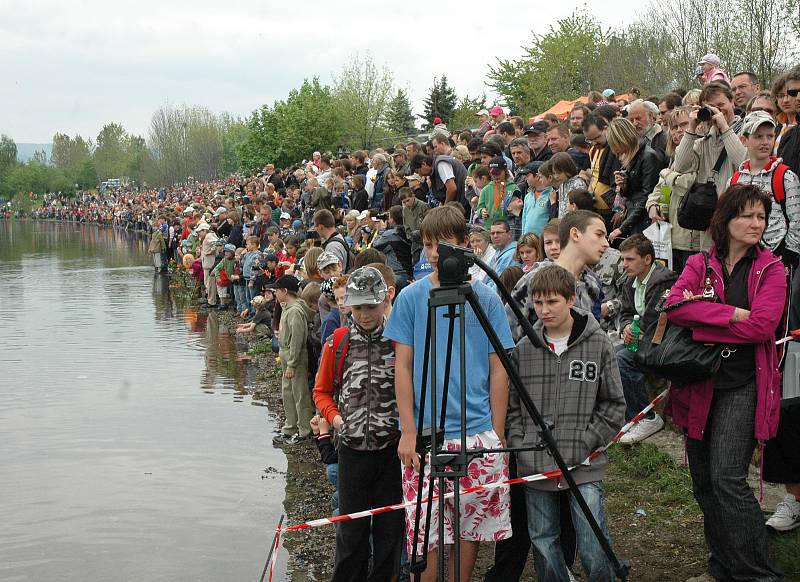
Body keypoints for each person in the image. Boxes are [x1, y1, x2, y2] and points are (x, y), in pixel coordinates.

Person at [384, 206, 513, 582]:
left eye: (442, 244)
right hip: (426, 433)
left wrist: (497, 433)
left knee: (468, 530)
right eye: (427, 245)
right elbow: (403, 367)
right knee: (426, 533)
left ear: (463, 244)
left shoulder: (485, 298)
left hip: (475, 429)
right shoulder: (410, 298)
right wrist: (408, 429)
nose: (434, 252)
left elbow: (498, 368)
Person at [664, 184, 785, 581]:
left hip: (744, 382)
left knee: (728, 479)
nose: (756, 223)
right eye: (747, 215)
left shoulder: (772, 269)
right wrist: (732, 313)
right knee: (703, 481)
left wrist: (704, 324)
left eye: (761, 217)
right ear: (726, 220)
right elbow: (674, 306)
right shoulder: (701, 262)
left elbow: (762, 326)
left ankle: (758, 574)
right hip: (701, 382)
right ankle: (723, 567)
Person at [507, 265, 624, 582]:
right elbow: (513, 409)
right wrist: (522, 447)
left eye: (552, 302)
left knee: (592, 539)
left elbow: (614, 404)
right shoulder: (523, 351)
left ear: (571, 299)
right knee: (543, 540)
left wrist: (586, 442)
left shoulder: (598, 344)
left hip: (584, 463)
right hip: (535, 464)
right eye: (538, 303)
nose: (544, 311)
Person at [313, 267, 403, 582]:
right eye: (358, 307)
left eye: (371, 306)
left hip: (392, 452)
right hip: (351, 451)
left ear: (384, 302)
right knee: (351, 534)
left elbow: (415, 392)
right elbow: (321, 391)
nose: (365, 314)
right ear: (349, 305)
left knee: (389, 532)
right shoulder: (338, 342)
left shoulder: (399, 341)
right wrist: (337, 421)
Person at [507, 210, 608, 342]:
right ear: (575, 234)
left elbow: (595, 336)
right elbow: (508, 336)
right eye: (599, 235)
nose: (606, 243)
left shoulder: (593, 283)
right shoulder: (535, 279)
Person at [613, 235, 677, 444]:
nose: (625, 265)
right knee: (611, 354)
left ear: (647, 259)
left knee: (622, 359)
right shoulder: (630, 281)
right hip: (642, 339)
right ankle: (627, 415)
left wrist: (634, 334)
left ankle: (646, 417)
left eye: (630, 259)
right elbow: (625, 313)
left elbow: (657, 322)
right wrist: (625, 329)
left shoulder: (663, 281)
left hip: (664, 343)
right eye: (624, 259)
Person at [729, 111, 800, 271]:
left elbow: (797, 222)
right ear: (744, 140)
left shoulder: (785, 177)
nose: (765, 142)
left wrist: (788, 257)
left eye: (769, 136)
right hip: (742, 259)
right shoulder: (735, 180)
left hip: (777, 258)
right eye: (758, 136)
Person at [646, 106, 713, 273]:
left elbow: (694, 185)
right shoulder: (675, 156)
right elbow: (659, 187)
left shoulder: (704, 150)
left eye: (684, 124)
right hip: (671, 237)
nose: (678, 130)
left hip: (693, 239)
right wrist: (652, 205)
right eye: (674, 127)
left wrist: (669, 176)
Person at [672, 82, 747, 197]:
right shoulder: (704, 141)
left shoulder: (747, 131)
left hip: (737, 207)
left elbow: (744, 164)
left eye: (721, 105)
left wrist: (725, 129)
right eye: (711, 108)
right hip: (709, 210)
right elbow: (681, 166)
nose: (717, 111)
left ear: (732, 102)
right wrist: (691, 128)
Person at [272, 275, 316, 446]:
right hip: (286, 354)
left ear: (285, 291)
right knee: (288, 392)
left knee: (299, 393)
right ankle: (290, 427)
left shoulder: (296, 311)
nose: (275, 293)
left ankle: (304, 430)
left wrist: (291, 363)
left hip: (294, 356)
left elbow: (298, 340)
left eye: (276, 290)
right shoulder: (288, 308)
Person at [606, 118, 661, 242]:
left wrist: (622, 228)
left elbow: (647, 196)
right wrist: (624, 186)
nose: (613, 150)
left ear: (622, 140)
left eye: (614, 145)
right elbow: (634, 193)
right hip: (635, 217)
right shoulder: (630, 158)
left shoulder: (648, 157)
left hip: (643, 220)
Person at [582, 115, 619, 222]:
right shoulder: (593, 150)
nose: (594, 143)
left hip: (612, 210)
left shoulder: (616, 149)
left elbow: (620, 183)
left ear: (606, 129)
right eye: (589, 140)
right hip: (595, 208)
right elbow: (594, 177)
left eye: (597, 137)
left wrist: (618, 210)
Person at [475, 157, 520, 228]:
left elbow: (517, 211)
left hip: (507, 228)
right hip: (489, 228)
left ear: (505, 171)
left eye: (498, 173)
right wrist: (481, 211)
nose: (495, 176)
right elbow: (479, 209)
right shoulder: (486, 189)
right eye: (493, 173)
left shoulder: (513, 188)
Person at [520, 162, 556, 236]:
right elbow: (524, 219)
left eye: (527, 176)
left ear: (537, 176)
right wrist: (523, 237)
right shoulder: (528, 196)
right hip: (528, 240)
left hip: (543, 240)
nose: (525, 179)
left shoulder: (552, 194)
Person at [549, 152, 588, 218]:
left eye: (559, 173)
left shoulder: (578, 184)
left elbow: (580, 211)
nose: (556, 176)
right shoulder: (562, 185)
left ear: (567, 169)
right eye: (554, 173)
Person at [486, 220, 521, 285]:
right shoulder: (498, 251)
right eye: (492, 233)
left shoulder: (512, 254)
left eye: (499, 232)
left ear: (509, 234)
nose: (495, 236)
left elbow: (498, 286)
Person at [197, 222, 219, 308]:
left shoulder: (209, 236)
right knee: (208, 283)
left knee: (210, 283)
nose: (199, 233)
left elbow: (216, 244)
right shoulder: (207, 236)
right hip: (207, 263)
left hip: (210, 264)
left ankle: (211, 301)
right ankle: (210, 299)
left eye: (200, 231)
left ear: (204, 230)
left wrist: (210, 252)